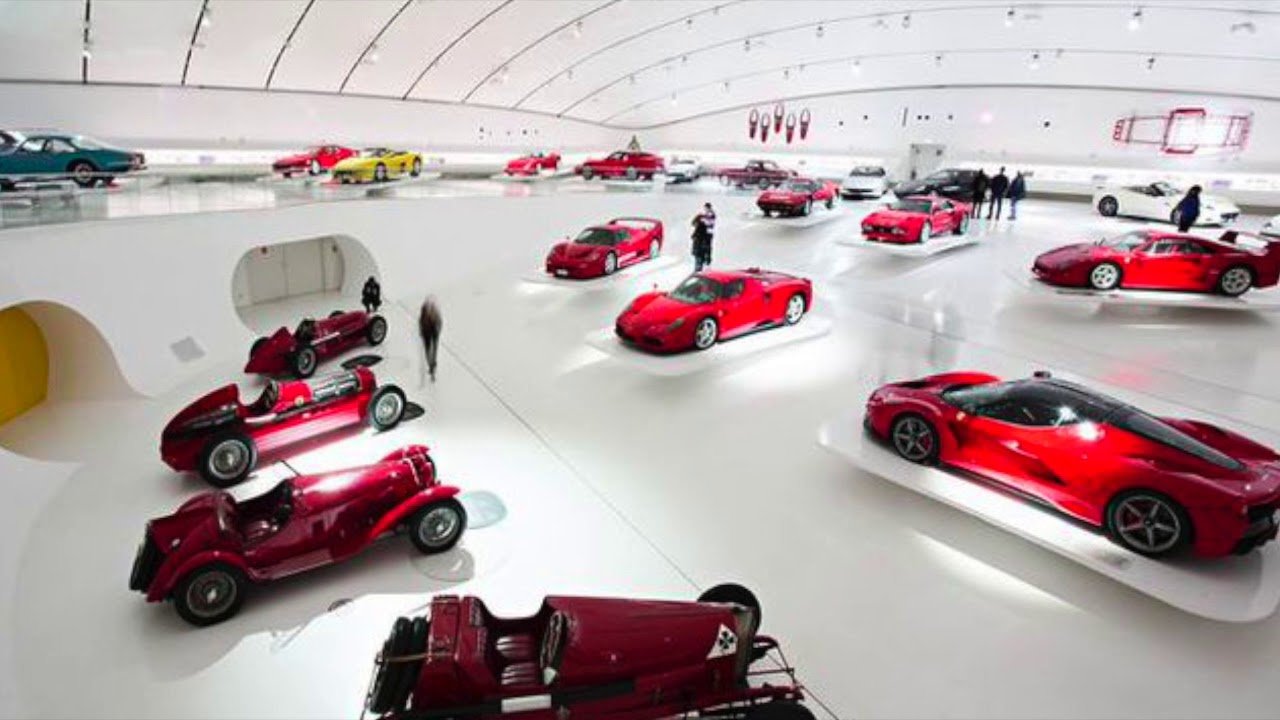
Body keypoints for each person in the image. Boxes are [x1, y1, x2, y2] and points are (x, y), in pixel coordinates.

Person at [418, 296, 442, 383]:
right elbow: (421, 322)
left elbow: (439, 322)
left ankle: (433, 366)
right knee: (428, 351)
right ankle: (431, 365)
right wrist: (421, 331)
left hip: (433, 333)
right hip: (427, 333)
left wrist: (438, 330)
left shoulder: (435, 314)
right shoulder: (424, 312)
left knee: (433, 351)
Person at [691, 202, 716, 271]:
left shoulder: (708, 218)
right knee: (700, 259)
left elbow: (709, 226)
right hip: (700, 243)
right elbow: (693, 223)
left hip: (702, 243)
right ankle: (700, 269)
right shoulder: (701, 217)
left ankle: (700, 270)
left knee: (700, 259)